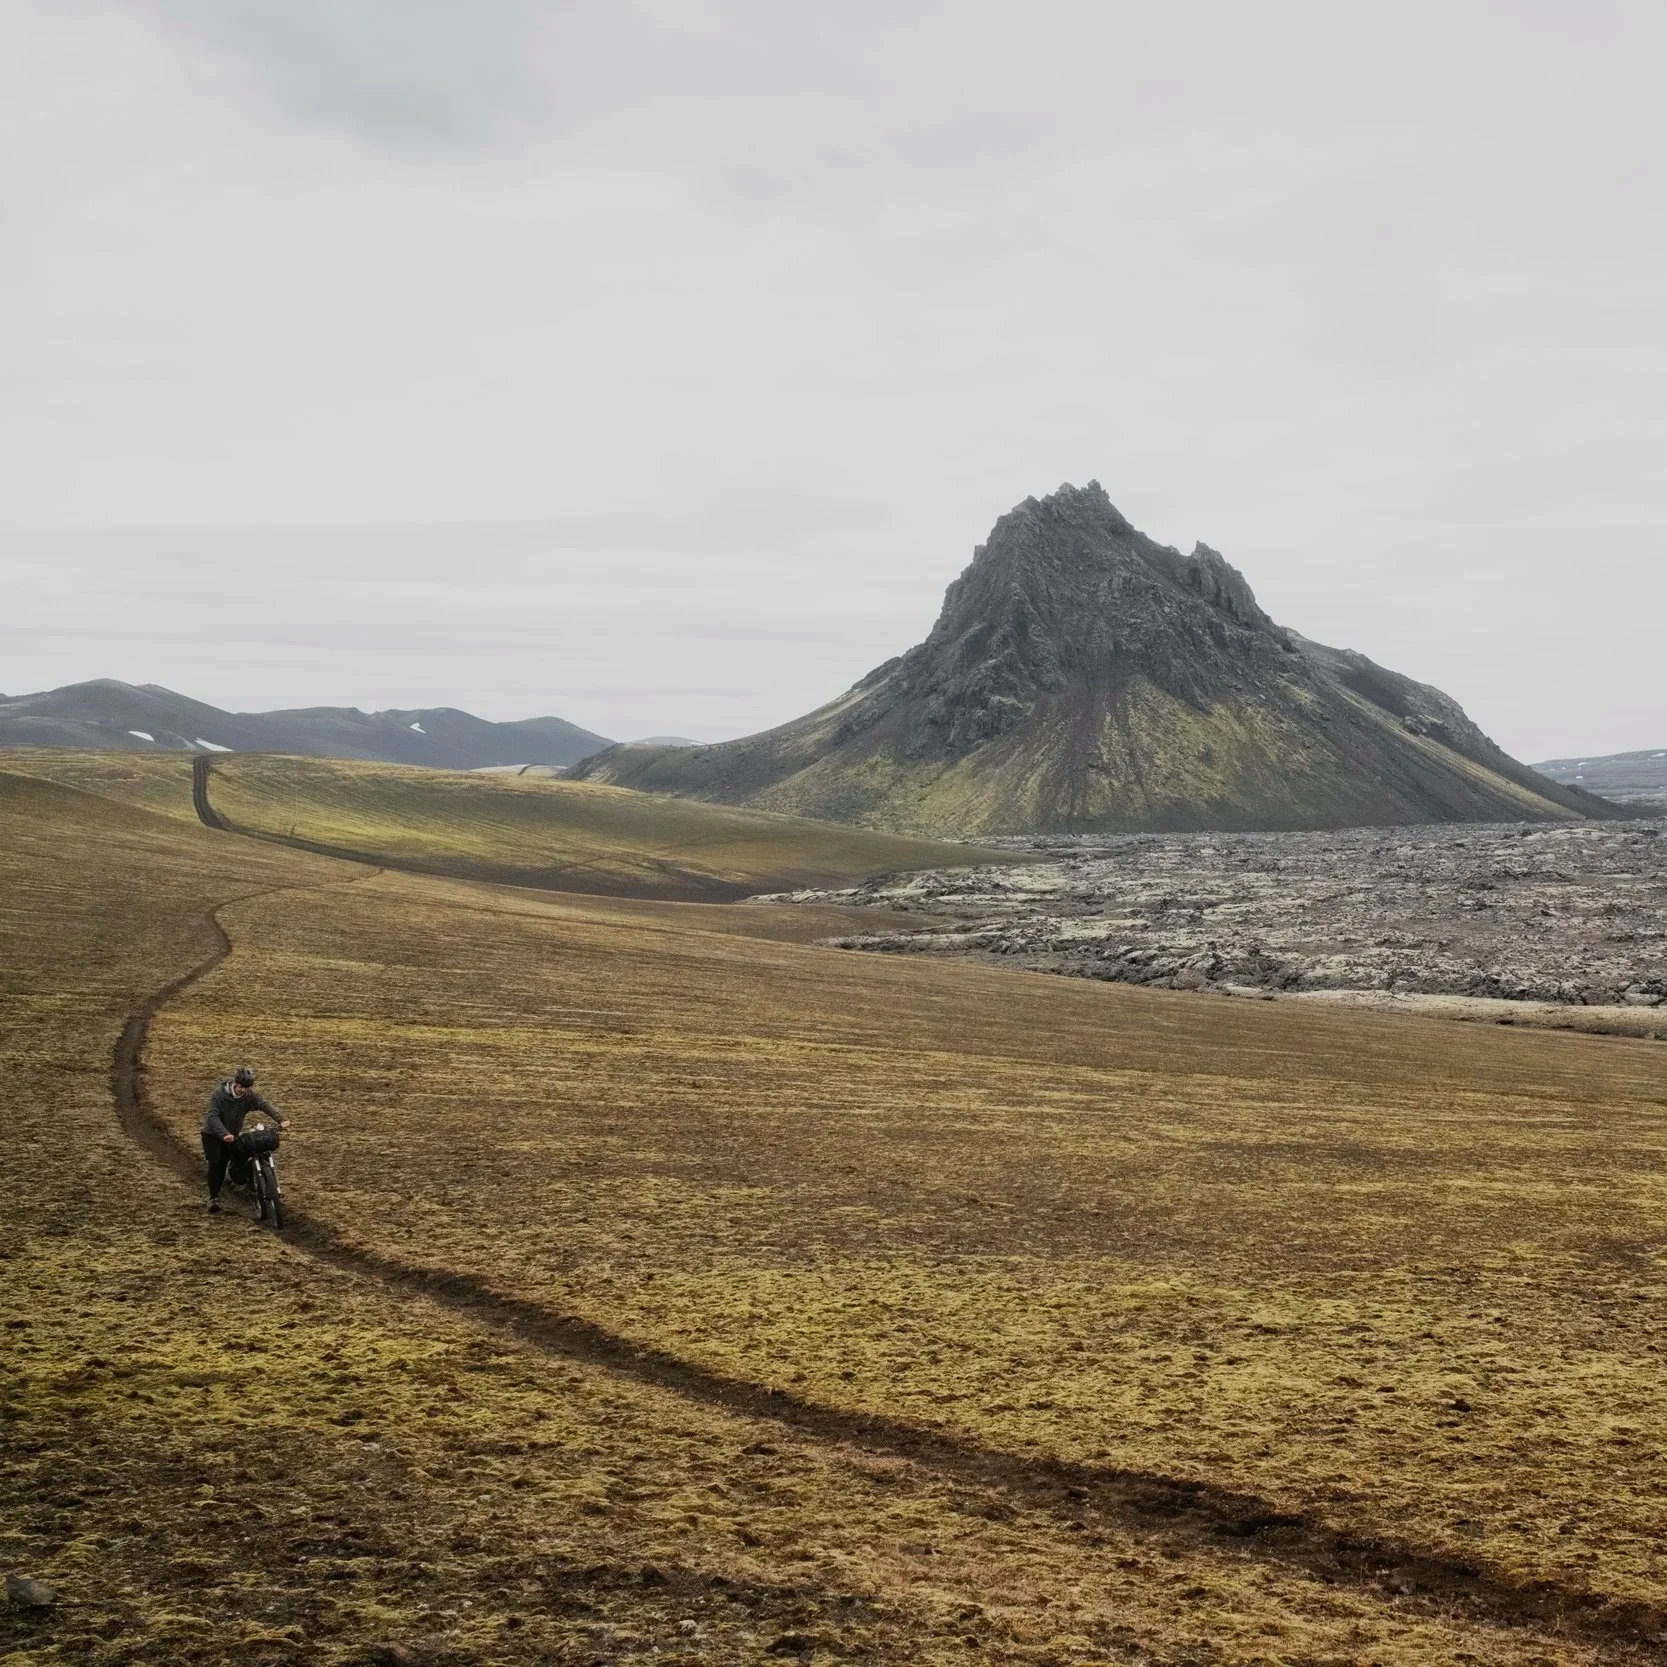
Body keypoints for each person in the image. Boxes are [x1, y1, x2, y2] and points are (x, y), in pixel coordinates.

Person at [201, 1066, 289, 1213]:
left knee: (237, 1157)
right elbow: (212, 1117)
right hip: (213, 1136)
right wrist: (224, 1134)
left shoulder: (249, 1095)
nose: (243, 1090)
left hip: (231, 1136)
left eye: (246, 1088)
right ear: (235, 1083)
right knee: (217, 1166)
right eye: (241, 1087)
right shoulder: (219, 1095)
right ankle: (213, 1198)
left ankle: (250, 1183)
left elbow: (263, 1104)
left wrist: (281, 1119)